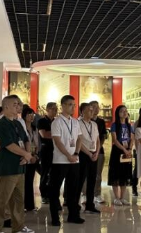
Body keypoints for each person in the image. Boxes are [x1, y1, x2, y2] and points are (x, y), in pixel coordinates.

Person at [0, 96, 35, 233]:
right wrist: (25, 154)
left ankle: (18, 227)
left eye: (19, 104)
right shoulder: (2, 124)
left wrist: (27, 154)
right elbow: (8, 145)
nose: (18, 107)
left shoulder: (17, 122)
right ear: (6, 107)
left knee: (18, 199)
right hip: (7, 167)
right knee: (1, 199)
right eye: (15, 104)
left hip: (19, 167)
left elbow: (26, 139)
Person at [49, 95, 83, 225]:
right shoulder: (56, 122)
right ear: (63, 105)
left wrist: (76, 153)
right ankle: (55, 217)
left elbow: (79, 138)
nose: (73, 107)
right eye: (70, 105)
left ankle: (73, 215)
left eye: (74, 105)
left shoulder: (75, 122)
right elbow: (57, 141)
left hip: (74, 160)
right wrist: (68, 155)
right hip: (60, 161)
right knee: (55, 189)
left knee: (74, 189)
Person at [77, 102, 101, 215]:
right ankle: (75, 204)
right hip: (83, 154)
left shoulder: (94, 124)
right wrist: (89, 154)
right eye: (89, 110)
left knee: (92, 180)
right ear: (82, 111)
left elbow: (97, 140)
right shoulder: (78, 123)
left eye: (93, 110)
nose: (92, 112)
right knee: (80, 180)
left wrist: (96, 152)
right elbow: (78, 142)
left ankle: (90, 205)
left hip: (94, 154)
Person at [108, 105, 134, 206]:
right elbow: (115, 140)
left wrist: (129, 149)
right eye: (122, 111)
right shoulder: (114, 125)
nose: (124, 113)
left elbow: (132, 138)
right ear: (118, 113)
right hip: (117, 151)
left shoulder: (129, 125)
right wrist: (124, 149)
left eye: (126, 111)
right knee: (116, 174)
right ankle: (116, 198)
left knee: (125, 174)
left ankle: (123, 198)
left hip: (127, 151)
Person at [37, 102, 57, 205]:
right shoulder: (42, 121)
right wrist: (57, 134)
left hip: (56, 150)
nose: (55, 111)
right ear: (47, 110)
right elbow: (44, 134)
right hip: (45, 150)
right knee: (45, 173)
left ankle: (52, 194)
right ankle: (44, 195)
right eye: (53, 109)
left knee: (54, 174)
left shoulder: (56, 121)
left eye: (56, 109)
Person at [89, 100, 107, 205]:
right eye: (94, 107)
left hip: (99, 150)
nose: (96, 109)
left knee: (98, 174)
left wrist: (98, 147)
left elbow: (103, 136)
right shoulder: (85, 120)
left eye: (97, 107)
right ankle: (84, 194)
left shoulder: (101, 121)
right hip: (87, 151)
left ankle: (97, 194)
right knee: (86, 174)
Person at [21, 105, 38, 212]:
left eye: (33, 114)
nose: (31, 116)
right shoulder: (21, 128)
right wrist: (27, 156)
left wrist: (35, 155)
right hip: (24, 157)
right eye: (29, 114)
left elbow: (37, 143)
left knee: (30, 181)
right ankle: (22, 205)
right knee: (23, 182)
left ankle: (30, 205)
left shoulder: (34, 128)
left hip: (33, 157)